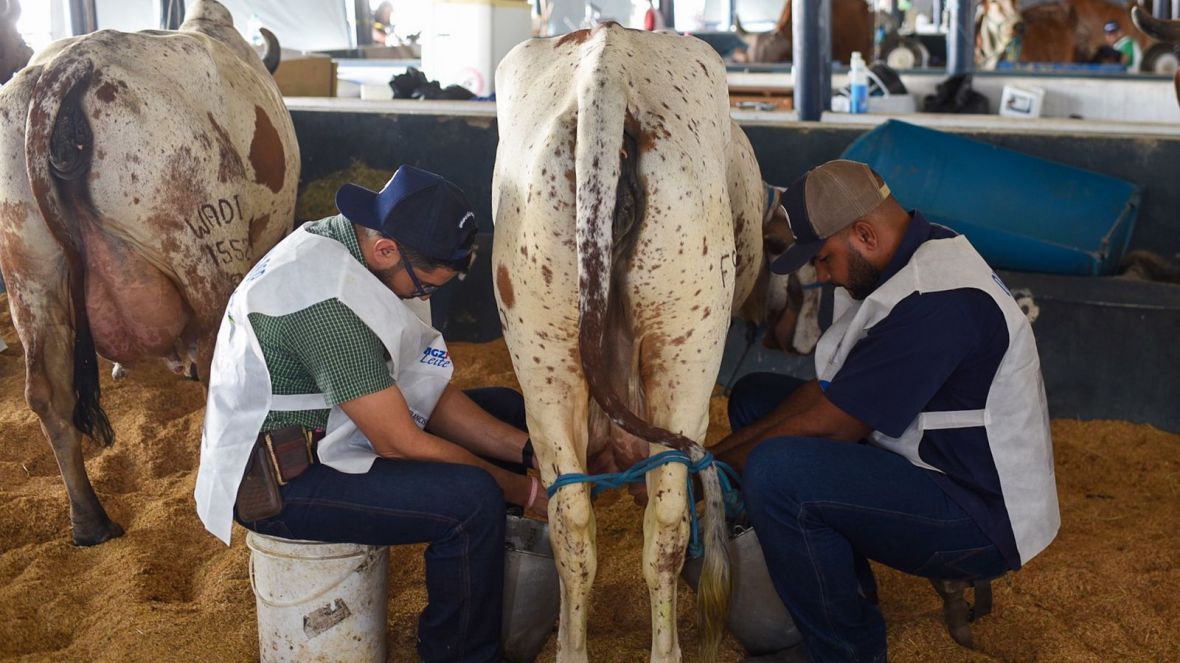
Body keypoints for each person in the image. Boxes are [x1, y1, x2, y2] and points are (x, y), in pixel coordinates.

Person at [195, 165, 546, 663]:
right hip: (283, 484)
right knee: (474, 503)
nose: (425, 298)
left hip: (334, 427)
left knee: (508, 413)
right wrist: (526, 490)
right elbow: (401, 442)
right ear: (387, 251)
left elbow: (424, 389)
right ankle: (459, 653)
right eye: (425, 287)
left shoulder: (355, 250)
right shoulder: (324, 304)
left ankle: (493, 591)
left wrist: (529, 449)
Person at [714, 160, 1060, 662]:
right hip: (932, 461)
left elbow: (833, 424)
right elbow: (831, 392)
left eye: (824, 258)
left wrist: (704, 473)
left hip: (979, 513)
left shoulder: (940, 301)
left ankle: (847, 649)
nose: (822, 275)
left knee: (778, 472)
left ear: (864, 234)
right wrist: (707, 461)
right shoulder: (912, 252)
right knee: (753, 398)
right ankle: (843, 588)